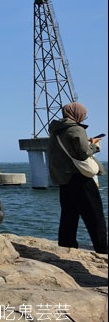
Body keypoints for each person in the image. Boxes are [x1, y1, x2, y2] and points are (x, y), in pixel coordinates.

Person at [48, 102, 107, 254]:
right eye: (83, 114)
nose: (83, 117)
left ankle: (67, 247)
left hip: (65, 179)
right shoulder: (76, 129)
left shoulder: (56, 130)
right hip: (80, 178)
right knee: (95, 215)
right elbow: (82, 153)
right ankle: (102, 249)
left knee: (69, 215)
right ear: (77, 114)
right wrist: (94, 145)